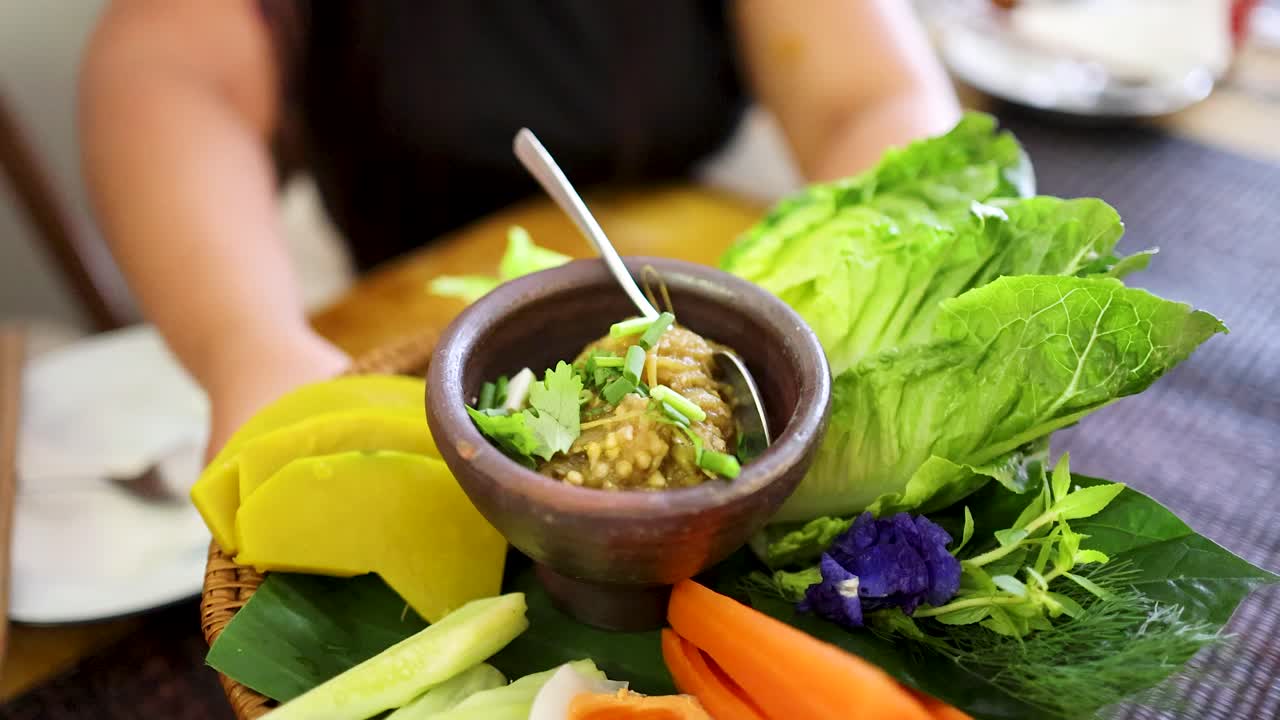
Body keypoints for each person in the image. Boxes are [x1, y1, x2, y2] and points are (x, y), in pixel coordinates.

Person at [80, 0, 960, 460]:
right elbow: (163, 75)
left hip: (685, 262)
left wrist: (889, 288)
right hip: (396, 330)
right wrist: (248, 345)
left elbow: (870, 95)